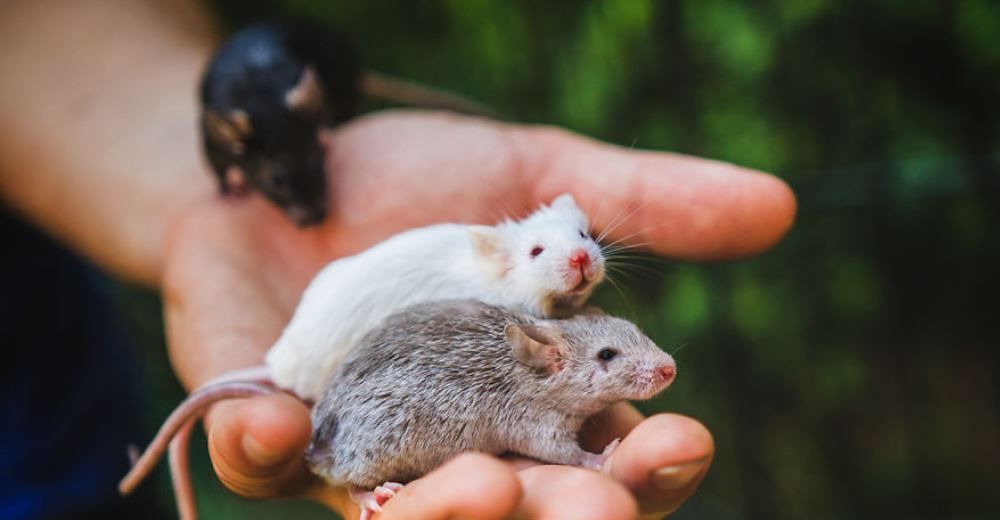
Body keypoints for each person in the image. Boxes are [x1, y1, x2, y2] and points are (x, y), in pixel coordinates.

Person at [0, 1, 796, 518]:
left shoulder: (521, 302)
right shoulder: (504, 299)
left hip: (61, 434)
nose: (583, 261)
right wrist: (587, 449)